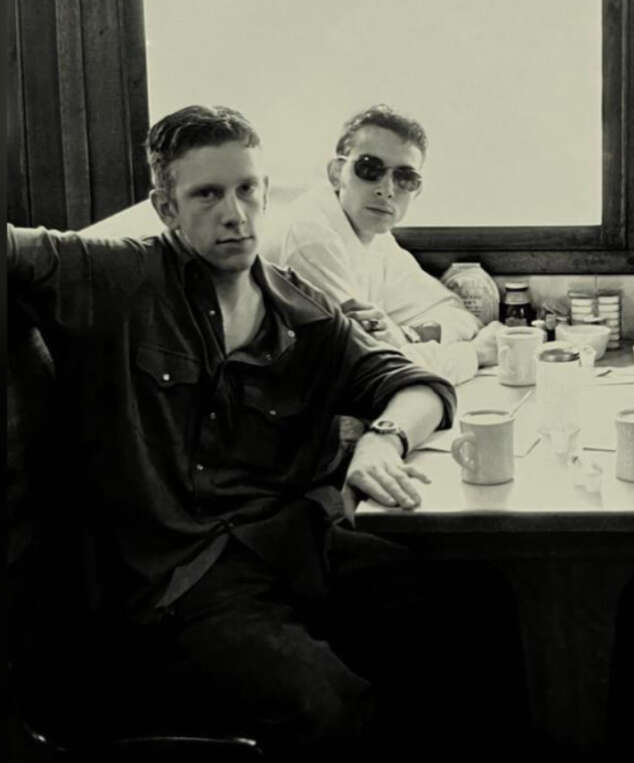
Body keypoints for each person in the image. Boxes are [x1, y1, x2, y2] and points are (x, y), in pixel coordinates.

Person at [7, 105, 528, 759]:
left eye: (248, 188)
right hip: (172, 588)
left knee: (482, 603)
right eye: (207, 194)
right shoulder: (112, 276)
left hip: (287, 549)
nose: (236, 213)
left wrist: (383, 439)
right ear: (165, 207)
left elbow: (419, 386)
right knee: (334, 706)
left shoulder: (297, 307)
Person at [262, 104, 501, 386]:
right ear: (336, 173)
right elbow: (374, 371)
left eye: (405, 178)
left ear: (417, 190)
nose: (387, 189)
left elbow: (456, 312)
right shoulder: (310, 239)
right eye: (369, 169)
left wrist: (406, 336)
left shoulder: (374, 236)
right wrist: (474, 354)